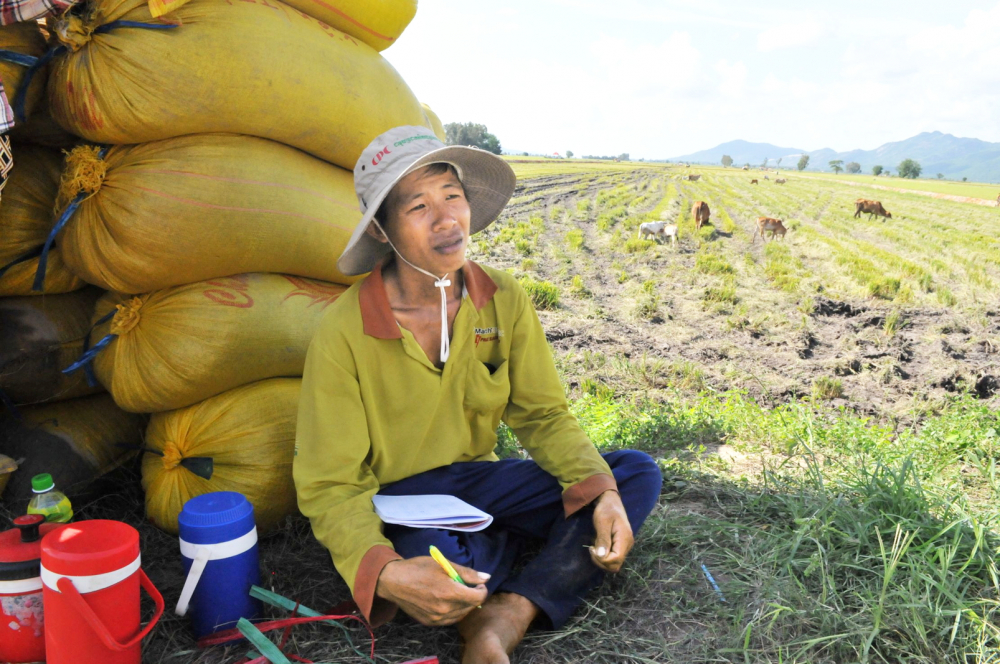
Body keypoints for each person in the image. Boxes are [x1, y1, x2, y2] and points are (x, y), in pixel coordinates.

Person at [294, 126, 662, 664]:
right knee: (436, 568)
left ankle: (509, 611)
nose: (446, 220)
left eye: (452, 196)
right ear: (381, 228)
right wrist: (387, 571)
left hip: (479, 485)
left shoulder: (503, 299)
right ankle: (499, 568)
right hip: (401, 502)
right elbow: (331, 483)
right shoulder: (344, 332)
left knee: (630, 475)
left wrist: (599, 491)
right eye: (418, 205)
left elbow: (543, 414)